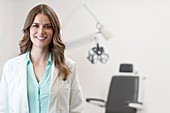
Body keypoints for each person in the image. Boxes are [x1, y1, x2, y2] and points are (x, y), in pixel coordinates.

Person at [0, 4, 84, 113]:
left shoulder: (69, 67)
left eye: (47, 26)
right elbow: (3, 108)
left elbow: (76, 108)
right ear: (28, 29)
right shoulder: (10, 67)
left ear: (54, 31)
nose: (41, 32)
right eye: (35, 25)